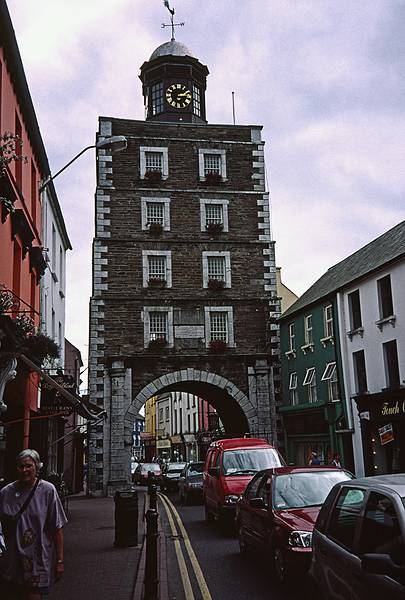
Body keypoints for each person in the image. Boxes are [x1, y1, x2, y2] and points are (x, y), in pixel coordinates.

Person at [0, 449, 67, 600]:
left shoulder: (48, 490)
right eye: (21, 466)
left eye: (28, 466)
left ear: (37, 467)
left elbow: (57, 528)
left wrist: (60, 560)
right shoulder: (6, 493)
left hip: (37, 561)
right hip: (11, 562)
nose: (24, 470)